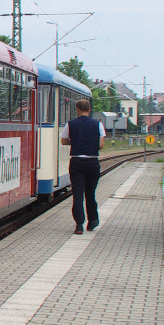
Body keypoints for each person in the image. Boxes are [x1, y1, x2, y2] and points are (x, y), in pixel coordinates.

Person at [61, 97, 105, 234]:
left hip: (77, 162)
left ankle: (79, 225)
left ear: (77, 109)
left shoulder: (70, 124)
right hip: (92, 162)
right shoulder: (98, 124)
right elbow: (101, 145)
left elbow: (63, 141)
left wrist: (74, 142)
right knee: (90, 193)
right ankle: (92, 221)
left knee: (77, 194)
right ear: (89, 109)